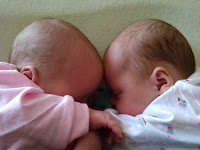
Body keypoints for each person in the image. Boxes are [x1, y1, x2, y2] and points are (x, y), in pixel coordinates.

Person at [0, 18, 122, 150]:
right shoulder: (7, 89)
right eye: (78, 99)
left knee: (90, 135)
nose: (87, 106)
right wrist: (89, 117)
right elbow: (20, 113)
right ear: (29, 77)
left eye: (90, 99)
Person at [103, 19, 200, 149]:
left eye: (117, 93)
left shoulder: (176, 107)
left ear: (160, 83)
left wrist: (98, 117)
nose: (111, 101)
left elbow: (128, 135)